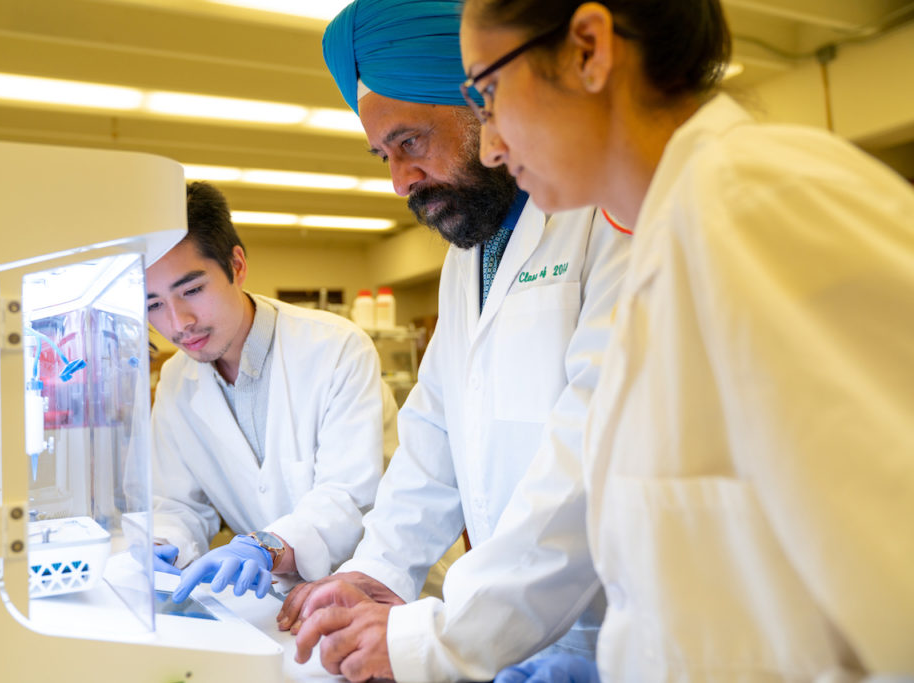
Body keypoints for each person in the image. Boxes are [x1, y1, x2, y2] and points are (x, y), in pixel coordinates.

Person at [460, 0, 914, 680]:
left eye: (487, 92)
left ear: (588, 48)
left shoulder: (755, 198)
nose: (490, 145)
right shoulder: (667, 237)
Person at [282, 1, 632, 680]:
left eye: (410, 141)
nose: (399, 180)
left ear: (480, 99)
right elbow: (435, 436)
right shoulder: (464, 258)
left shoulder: (606, 212)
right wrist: (378, 572)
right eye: (384, 154)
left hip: (614, 634)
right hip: (511, 633)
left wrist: (435, 636)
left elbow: (589, 458)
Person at [147, 181, 388, 601]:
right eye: (153, 305)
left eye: (192, 290)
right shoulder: (175, 381)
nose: (178, 322)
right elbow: (179, 505)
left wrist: (266, 546)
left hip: (379, 590)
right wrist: (164, 543)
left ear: (236, 265)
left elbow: (348, 498)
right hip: (278, 600)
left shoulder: (335, 348)